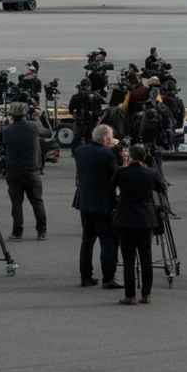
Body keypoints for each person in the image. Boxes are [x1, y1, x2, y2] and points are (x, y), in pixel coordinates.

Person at [113, 143, 166, 305]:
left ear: (130, 156)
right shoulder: (151, 173)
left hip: (126, 218)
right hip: (146, 218)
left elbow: (111, 188)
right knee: (146, 257)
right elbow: (162, 188)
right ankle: (146, 294)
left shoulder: (121, 172)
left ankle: (130, 295)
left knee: (128, 259)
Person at [74, 123, 121, 288]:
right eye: (111, 137)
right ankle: (108, 278)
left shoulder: (80, 151)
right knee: (108, 241)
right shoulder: (107, 154)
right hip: (103, 204)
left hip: (85, 202)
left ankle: (86, 277)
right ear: (106, 138)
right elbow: (116, 176)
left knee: (87, 241)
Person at [1, 102, 50, 241]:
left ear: (12, 115)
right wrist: (39, 118)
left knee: (16, 203)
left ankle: (17, 232)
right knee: (37, 202)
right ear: (25, 113)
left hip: (13, 171)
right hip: (32, 170)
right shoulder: (33, 126)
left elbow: (3, 144)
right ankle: (41, 231)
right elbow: (48, 133)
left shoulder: (7, 130)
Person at [68, 79, 104, 148]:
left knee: (77, 138)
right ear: (89, 86)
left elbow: (70, 109)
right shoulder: (96, 96)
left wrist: (74, 114)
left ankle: (76, 151)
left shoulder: (76, 96)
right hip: (92, 121)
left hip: (80, 121)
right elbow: (102, 105)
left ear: (81, 86)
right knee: (90, 139)